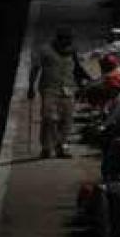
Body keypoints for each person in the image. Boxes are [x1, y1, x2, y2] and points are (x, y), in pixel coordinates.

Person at [28, 27, 80, 159]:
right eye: (65, 41)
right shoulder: (44, 51)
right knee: (48, 118)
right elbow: (35, 68)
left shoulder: (72, 51)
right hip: (49, 88)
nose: (67, 44)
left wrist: (81, 85)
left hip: (68, 88)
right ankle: (46, 147)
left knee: (66, 119)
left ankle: (61, 146)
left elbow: (77, 68)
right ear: (58, 40)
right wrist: (31, 86)